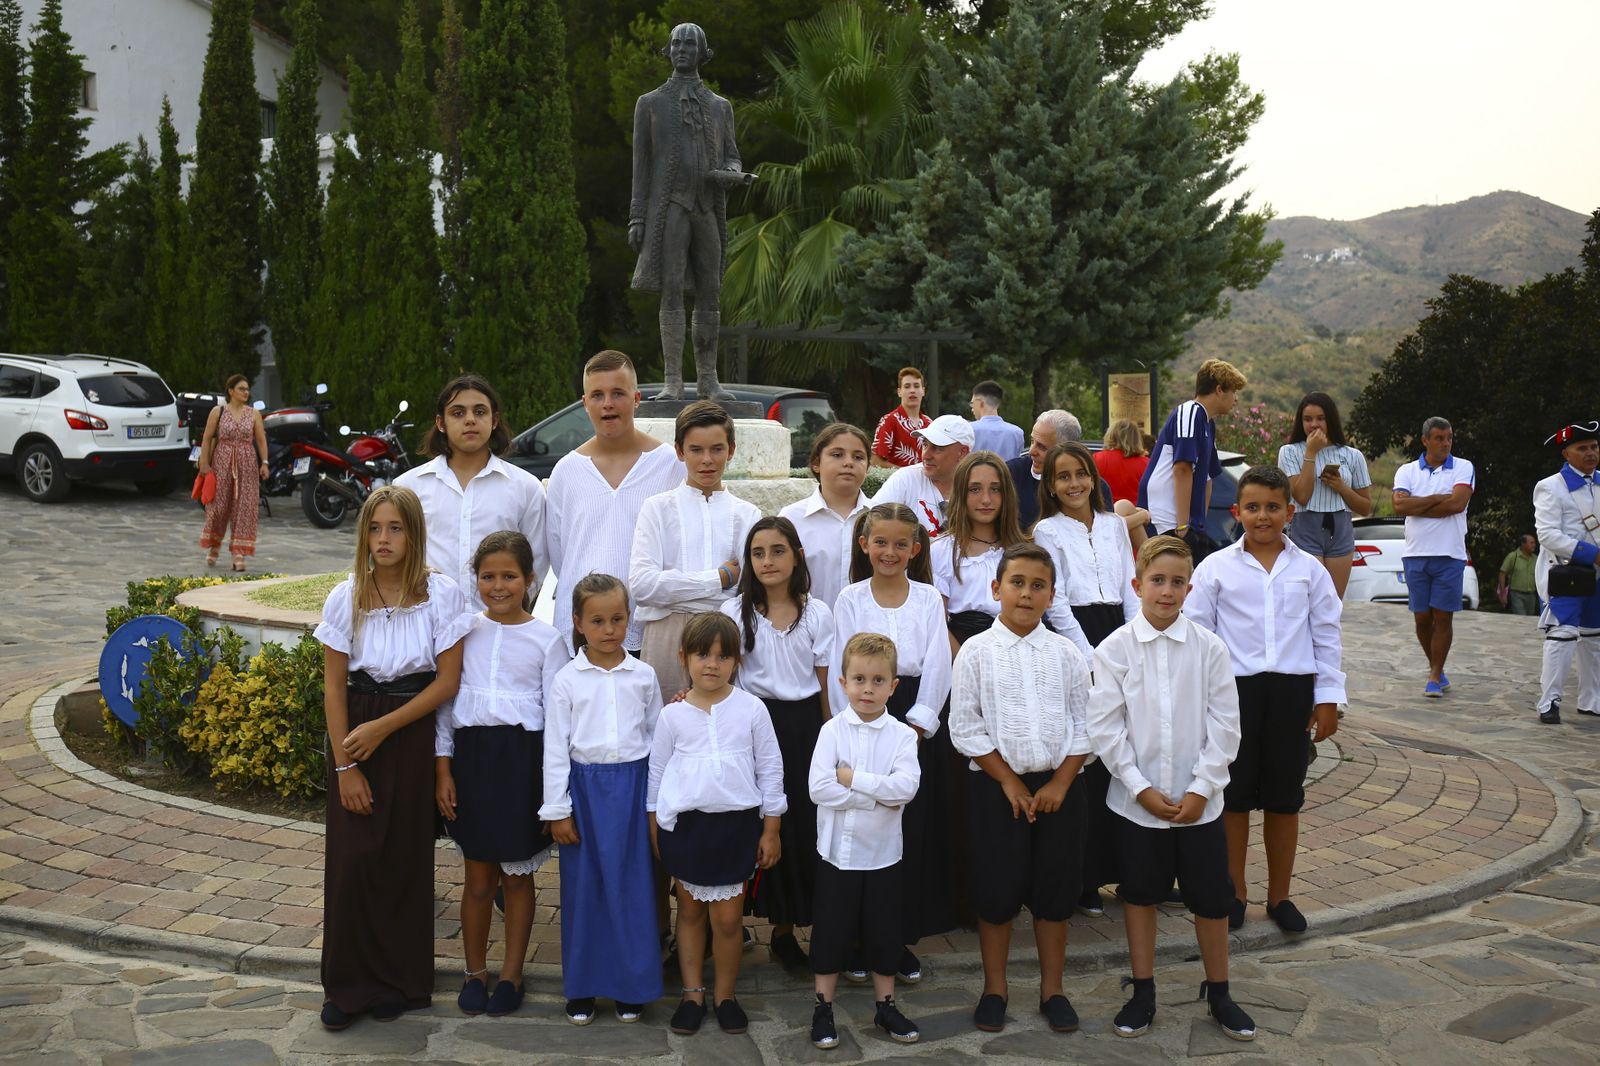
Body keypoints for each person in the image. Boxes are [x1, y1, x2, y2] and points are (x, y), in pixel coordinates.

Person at [313, 486, 471, 1031]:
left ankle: (398, 982)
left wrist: (385, 728)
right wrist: (345, 764)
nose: (384, 539)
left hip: (408, 732)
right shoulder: (345, 596)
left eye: (396, 528)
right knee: (354, 861)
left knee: (403, 861)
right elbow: (333, 688)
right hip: (354, 738)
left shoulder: (441, 595)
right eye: (375, 529)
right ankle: (347, 985)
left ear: (413, 533)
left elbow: (446, 681)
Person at [1087, 535, 1254, 1043]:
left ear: (1189, 587)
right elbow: (1105, 728)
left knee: (1210, 897)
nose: (1167, 591)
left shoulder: (1209, 648)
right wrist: (1139, 788)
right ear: (1137, 584)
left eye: (1177, 582)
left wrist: (1202, 788)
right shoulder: (1113, 649)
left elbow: (1225, 724)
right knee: (1140, 894)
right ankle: (1143, 990)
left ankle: (1220, 991)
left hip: (1200, 804)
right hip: (1139, 803)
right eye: (1157, 581)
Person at [1186, 466, 1343, 935]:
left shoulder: (1309, 570)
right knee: (1233, 798)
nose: (1262, 516)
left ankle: (1280, 897)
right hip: (1235, 693)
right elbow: (1199, 637)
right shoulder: (1214, 568)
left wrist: (1328, 698)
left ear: (1289, 512)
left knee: (1283, 799)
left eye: (1273, 507)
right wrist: (1204, 701)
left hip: (1292, 692)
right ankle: (1235, 893)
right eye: (1252, 507)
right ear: (1237, 512)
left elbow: (1326, 635)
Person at [950, 543, 1092, 1036]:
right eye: (1017, 583)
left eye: (1038, 586)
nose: (1026, 594)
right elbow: (964, 727)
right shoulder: (976, 652)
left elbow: (1085, 724)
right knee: (997, 891)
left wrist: (1059, 781)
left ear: (1051, 595)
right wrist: (1008, 779)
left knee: (1055, 893)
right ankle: (996, 989)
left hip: (1060, 788)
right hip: (996, 787)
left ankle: (1053, 989)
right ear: (996, 589)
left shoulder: (1066, 653)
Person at [435, 531, 566, 1018]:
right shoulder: (464, 631)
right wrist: (443, 771)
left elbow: (556, 721)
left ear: (530, 580)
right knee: (476, 879)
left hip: (521, 765)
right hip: (472, 763)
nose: (498, 585)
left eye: (509, 576)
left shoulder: (547, 640)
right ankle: (474, 972)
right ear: (476, 580)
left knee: (516, 879)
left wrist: (553, 792)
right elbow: (446, 710)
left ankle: (511, 974)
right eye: (488, 576)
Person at [831, 503, 954, 982]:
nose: (889, 551)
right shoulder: (850, 599)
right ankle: (859, 939)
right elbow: (842, 666)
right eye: (880, 542)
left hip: (911, 721)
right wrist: (848, 727)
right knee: (863, 827)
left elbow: (939, 663)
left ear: (914, 550)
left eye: (900, 544)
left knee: (906, 835)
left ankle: (895, 939)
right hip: (861, 714)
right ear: (864, 545)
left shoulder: (926, 599)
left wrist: (918, 726)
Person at [648, 612, 786, 1037]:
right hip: (687, 830)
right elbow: (657, 776)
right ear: (683, 657)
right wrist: (657, 833)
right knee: (688, 915)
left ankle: (725, 996)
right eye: (702, 654)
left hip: (736, 829)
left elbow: (771, 769)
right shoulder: (672, 716)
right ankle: (693, 994)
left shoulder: (752, 709)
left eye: (722, 656)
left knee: (727, 921)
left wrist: (771, 829)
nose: (712, 663)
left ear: (736, 663)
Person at [541, 573, 665, 1025]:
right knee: (585, 891)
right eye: (598, 620)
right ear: (577, 623)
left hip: (632, 792)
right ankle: (584, 987)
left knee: (633, 889)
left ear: (629, 619)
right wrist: (558, 809)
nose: (609, 629)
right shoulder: (567, 680)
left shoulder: (644, 676)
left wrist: (654, 802)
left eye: (617, 618)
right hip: (586, 795)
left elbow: (656, 739)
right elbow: (556, 747)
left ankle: (631, 987)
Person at [1030, 441, 1140, 914]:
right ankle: (1086, 877)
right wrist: (1092, 656)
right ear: (1051, 486)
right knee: (1090, 755)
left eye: (1081, 474)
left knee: (1129, 754)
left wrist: (1137, 640)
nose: (1074, 484)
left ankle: (1134, 869)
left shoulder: (1116, 525)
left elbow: (1131, 585)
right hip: (1077, 638)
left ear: (1092, 478)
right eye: (1063, 477)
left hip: (1122, 631)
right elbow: (1055, 601)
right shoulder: (1047, 532)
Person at [720, 517, 835, 969]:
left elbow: (826, 687)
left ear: (797, 555)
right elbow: (723, 677)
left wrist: (833, 738)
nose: (768, 561)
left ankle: (793, 930)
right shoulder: (736, 614)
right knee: (761, 826)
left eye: (778, 550)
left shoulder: (817, 613)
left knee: (802, 829)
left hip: (806, 731)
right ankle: (752, 926)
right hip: (755, 730)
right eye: (758, 553)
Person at [807, 632, 923, 1049]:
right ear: (843, 683)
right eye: (859, 679)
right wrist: (878, 796)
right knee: (831, 933)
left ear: (893, 685)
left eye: (877, 681)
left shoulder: (902, 737)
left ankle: (885, 1005)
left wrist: (853, 779)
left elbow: (906, 787)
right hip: (837, 855)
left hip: (882, 856)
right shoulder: (831, 732)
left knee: (883, 932)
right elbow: (818, 789)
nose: (867, 689)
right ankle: (824, 1007)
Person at [628, 23, 753, 402]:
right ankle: (672, 380)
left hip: (707, 208)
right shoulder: (649, 103)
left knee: (710, 292)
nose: (682, 49)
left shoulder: (719, 106)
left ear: (702, 52)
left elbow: (732, 155)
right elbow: (642, 166)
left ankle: (708, 380)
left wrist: (732, 173)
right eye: (677, 43)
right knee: (671, 291)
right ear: (668, 50)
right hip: (669, 208)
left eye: (690, 44)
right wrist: (637, 216)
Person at [547, 350, 685, 655]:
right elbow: (560, 555)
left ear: (636, 399)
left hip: (648, 628)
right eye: (597, 394)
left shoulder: (669, 465)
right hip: (582, 633)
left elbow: (680, 544)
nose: (607, 403)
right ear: (584, 404)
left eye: (618, 393)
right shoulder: (566, 472)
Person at [631, 400, 761, 701]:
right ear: (679, 451)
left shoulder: (748, 515)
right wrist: (718, 579)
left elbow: (747, 589)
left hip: (725, 634)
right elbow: (643, 586)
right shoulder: (657, 509)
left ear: (731, 450)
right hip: (666, 632)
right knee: (664, 727)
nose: (707, 460)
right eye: (696, 450)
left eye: (717, 449)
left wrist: (675, 585)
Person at [397, 374, 549, 610]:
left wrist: (505, 610)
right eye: (458, 413)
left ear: (494, 420)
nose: (470, 420)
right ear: (440, 423)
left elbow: (536, 562)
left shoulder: (526, 488)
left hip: (499, 626)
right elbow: (395, 560)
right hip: (428, 629)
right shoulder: (408, 488)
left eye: (479, 412)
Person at [1391, 416, 1476, 697]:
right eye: (1439, 438)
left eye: (1449, 438)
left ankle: (1434, 674)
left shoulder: (1463, 467)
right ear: (1425, 440)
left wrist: (1419, 504)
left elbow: (1457, 503)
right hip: (1415, 554)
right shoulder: (1407, 470)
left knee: (1443, 618)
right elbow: (1399, 506)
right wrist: (1437, 498)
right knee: (1421, 619)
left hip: (1449, 554)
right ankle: (1436, 667)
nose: (1445, 443)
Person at [1137, 358, 1247, 563]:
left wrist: (1198, 526)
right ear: (1219, 390)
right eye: (1234, 391)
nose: (1236, 399)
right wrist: (1182, 526)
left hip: (1187, 526)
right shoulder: (1189, 412)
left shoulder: (1208, 423)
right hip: (1166, 522)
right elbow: (1182, 468)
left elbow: (1207, 478)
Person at [1533, 421, 1600, 724]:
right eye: (1582, 448)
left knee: (1594, 638)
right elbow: (1547, 535)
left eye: (1594, 447)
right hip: (1566, 572)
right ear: (1566, 453)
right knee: (1562, 635)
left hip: (1597, 575)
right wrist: (1593, 554)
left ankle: (1592, 700)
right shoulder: (1550, 486)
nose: (1590, 453)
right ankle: (1549, 702)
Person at [1275, 392, 1373, 598]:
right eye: (1308, 419)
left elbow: (1365, 507)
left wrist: (1341, 487)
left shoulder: (1353, 456)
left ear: (1331, 419)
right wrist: (1311, 453)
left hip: (1341, 527)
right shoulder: (1290, 452)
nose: (1314, 425)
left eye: (1320, 418)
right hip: (1305, 525)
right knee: (1308, 599)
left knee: (1333, 602)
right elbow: (1301, 496)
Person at [931, 451, 1028, 649]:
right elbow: (936, 624)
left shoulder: (1023, 551)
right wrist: (964, 665)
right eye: (975, 489)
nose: (986, 499)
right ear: (961, 493)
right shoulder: (942, 551)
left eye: (995, 489)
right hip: (960, 655)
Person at [780, 424, 872, 611]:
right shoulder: (792, 519)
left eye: (858, 457)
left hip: (868, 631)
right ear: (816, 463)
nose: (848, 463)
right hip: (807, 630)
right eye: (837, 455)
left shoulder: (881, 518)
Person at [197, 374, 269, 571]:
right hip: (221, 462)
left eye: (247, 389)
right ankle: (214, 545)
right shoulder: (218, 411)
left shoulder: (253, 413)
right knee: (218, 507)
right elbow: (207, 437)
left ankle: (238, 552)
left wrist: (264, 462)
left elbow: (261, 440)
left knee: (243, 508)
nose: (246, 392)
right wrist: (204, 462)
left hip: (247, 464)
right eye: (242, 389)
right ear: (230, 391)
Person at [873, 414, 973, 535]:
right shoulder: (906, 479)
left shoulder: (978, 489)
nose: (925, 455)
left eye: (937, 448)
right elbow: (872, 523)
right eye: (925, 445)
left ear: (962, 452)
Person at [1007, 409, 1081, 532]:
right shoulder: (1010, 473)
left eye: (1042, 447)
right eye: (1032, 442)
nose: (1031, 451)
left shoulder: (1087, 488)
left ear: (1067, 450)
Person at [872, 367, 932, 468]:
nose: (912, 390)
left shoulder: (930, 424)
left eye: (916, 386)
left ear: (923, 391)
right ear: (899, 392)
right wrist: (905, 475)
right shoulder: (889, 421)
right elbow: (875, 461)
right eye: (907, 386)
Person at [1095, 419, 1150, 506]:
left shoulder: (1097, 459)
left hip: (1104, 512)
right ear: (1137, 438)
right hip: (1138, 514)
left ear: (1111, 435)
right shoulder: (1147, 464)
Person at [969, 380, 1025, 459]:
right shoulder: (1017, 433)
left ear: (980, 403)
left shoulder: (969, 429)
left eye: (972, 404)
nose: (972, 409)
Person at [1498, 533, 1540, 616]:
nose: (1534, 545)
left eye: (1534, 543)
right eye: (1531, 543)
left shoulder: (1536, 558)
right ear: (1523, 544)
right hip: (1517, 594)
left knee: (1530, 619)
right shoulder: (1513, 556)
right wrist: (1503, 593)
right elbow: (1502, 574)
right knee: (1521, 618)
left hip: (1531, 595)